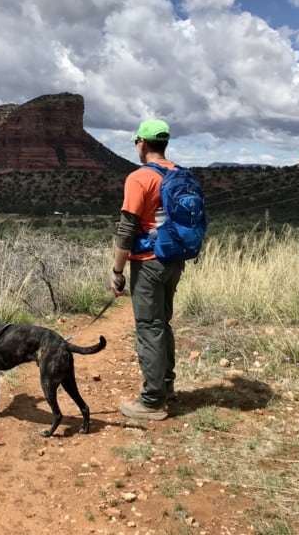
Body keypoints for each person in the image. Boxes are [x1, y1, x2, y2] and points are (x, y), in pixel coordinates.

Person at [109, 118, 185, 421]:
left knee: (149, 328)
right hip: (174, 258)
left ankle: (152, 401)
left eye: (136, 142)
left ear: (142, 143)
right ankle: (166, 386)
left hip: (148, 262)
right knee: (162, 323)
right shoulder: (177, 173)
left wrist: (117, 270)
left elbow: (127, 227)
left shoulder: (139, 178)